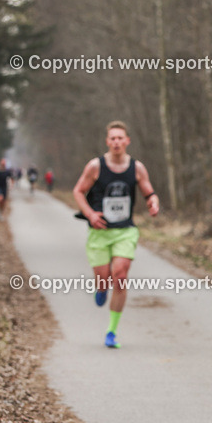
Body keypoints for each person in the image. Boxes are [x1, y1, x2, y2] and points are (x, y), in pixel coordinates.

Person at [72, 121, 159, 348]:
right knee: (104, 280)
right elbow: (78, 191)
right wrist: (90, 214)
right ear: (107, 141)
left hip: (125, 231)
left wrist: (153, 202)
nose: (117, 142)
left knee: (119, 276)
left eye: (121, 138)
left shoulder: (137, 168)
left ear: (127, 141)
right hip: (99, 232)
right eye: (113, 138)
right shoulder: (96, 166)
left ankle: (111, 331)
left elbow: (149, 192)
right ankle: (101, 288)